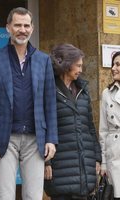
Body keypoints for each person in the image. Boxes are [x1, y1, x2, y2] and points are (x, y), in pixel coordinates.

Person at [0, 7, 58, 200]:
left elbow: (50, 103)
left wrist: (51, 139)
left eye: (26, 25)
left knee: (33, 196)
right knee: (4, 196)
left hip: (35, 139)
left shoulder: (43, 60)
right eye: (18, 25)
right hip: (4, 139)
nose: (22, 30)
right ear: (8, 28)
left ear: (32, 28)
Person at [44, 44, 102, 200]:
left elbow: (90, 126)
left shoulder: (83, 90)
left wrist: (97, 157)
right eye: (78, 65)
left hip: (85, 165)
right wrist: (46, 162)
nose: (81, 70)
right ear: (66, 65)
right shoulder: (49, 89)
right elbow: (43, 127)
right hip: (60, 166)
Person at [99, 51, 120, 199]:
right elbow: (103, 131)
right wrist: (104, 163)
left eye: (118, 64)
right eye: (113, 64)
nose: (113, 68)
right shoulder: (107, 93)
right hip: (114, 156)